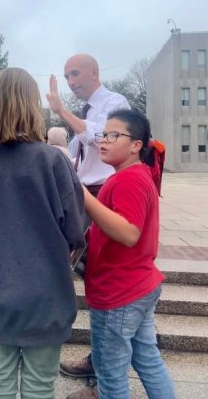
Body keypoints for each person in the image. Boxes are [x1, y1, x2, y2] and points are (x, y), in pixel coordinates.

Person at [0, 67, 87, 399]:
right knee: (40, 386)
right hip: (46, 295)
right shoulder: (52, 161)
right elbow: (75, 230)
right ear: (31, 105)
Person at [67, 108, 175, 399]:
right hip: (135, 286)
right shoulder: (130, 176)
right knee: (147, 360)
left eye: (114, 135)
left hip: (120, 292)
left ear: (136, 145)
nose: (103, 141)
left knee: (110, 372)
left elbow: (129, 233)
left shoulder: (129, 179)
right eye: (103, 134)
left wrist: (84, 196)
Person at [47, 53, 130, 381]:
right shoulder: (89, 110)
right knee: (90, 275)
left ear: (95, 72)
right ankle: (102, 361)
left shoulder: (115, 102)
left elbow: (100, 138)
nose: (71, 82)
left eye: (76, 74)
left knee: (104, 277)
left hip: (105, 194)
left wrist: (61, 112)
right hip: (86, 196)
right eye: (67, 76)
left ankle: (105, 372)